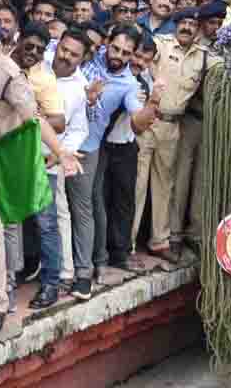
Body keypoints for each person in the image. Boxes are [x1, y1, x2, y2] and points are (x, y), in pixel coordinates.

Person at [0, 18, 74, 313]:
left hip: (0, 159)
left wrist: (60, 151)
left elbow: (34, 118)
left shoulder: (9, 75)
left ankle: (4, 289)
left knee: (3, 226)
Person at [71, 25, 162, 299]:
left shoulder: (129, 86)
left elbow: (137, 124)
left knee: (85, 208)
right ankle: (80, 265)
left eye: (126, 53)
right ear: (106, 43)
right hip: (54, 142)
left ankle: (85, 272)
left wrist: (153, 102)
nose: (119, 56)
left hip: (87, 150)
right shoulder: (88, 57)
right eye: (116, 49)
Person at [149, 9, 220, 262]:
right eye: (183, 23)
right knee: (138, 188)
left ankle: (163, 240)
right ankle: (129, 248)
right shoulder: (161, 44)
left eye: (192, 23)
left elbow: (224, 69)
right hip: (148, 120)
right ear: (175, 25)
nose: (187, 27)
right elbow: (143, 54)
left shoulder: (203, 57)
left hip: (174, 125)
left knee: (165, 185)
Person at [51, 28, 91, 291]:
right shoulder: (39, 64)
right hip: (19, 150)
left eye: (73, 54)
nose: (65, 56)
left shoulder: (80, 87)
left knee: (59, 212)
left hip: (53, 158)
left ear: (82, 59)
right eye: (63, 49)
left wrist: (62, 154)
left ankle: (65, 272)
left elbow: (78, 129)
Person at [129, 39, 156, 253]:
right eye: (137, 56)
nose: (139, 62)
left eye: (146, 60)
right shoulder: (113, 74)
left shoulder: (144, 85)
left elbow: (140, 124)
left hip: (129, 146)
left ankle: (127, 245)